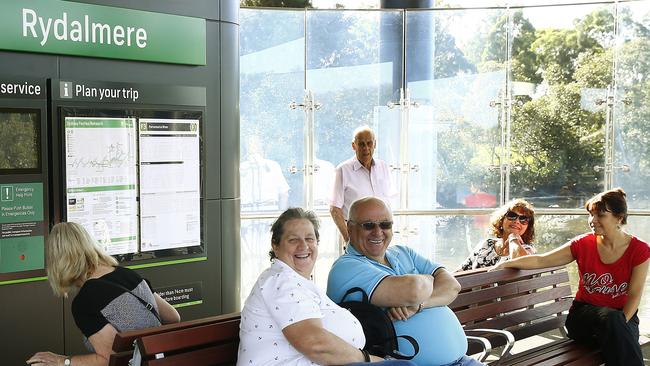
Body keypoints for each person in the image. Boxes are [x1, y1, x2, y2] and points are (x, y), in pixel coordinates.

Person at [237, 208, 416, 366]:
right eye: (293, 240)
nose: (304, 246)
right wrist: (368, 359)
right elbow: (315, 344)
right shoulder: (280, 281)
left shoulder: (294, 282)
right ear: (275, 245)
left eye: (309, 238)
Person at [493, 188, 649, 366]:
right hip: (583, 318)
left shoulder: (639, 249)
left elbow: (634, 295)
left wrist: (619, 328)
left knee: (615, 332)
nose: (593, 221)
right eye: (591, 215)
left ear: (619, 218)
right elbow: (542, 260)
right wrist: (507, 263)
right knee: (616, 331)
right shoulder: (583, 244)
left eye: (600, 215)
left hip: (622, 318)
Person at [327, 197, 484, 366]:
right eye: (368, 225)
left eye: (385, 224)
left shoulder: (403, 252)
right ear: (350, 228)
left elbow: (452, 286)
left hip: (463, 360)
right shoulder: (345, 268)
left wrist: (419, 305)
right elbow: (414, 290)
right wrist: (430, 278)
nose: (378, 232)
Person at [27, 222, 180, 366]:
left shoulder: (85, 301)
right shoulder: (128, 274)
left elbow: (107, 359)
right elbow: (173, 317)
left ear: (57, 261)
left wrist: (62, 361)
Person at [330, 125, 397, 244]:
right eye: (361, 144)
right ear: (353, 146)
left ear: (375, 144)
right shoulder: (343, 170)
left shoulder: (384, 167)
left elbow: (390, 201)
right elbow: (335, 209)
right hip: (356, 235)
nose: (366, 148)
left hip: (382, 235)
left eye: (369, 143)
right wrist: (349, 240)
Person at [458, 199, 536, 271]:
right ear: (501, 220)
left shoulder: (528, 250)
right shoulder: (486, 244)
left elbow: (522, 264)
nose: (517, 221)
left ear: (527, 227)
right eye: (512, 215)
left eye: (523, 219)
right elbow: (461, 270)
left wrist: (513, 239)